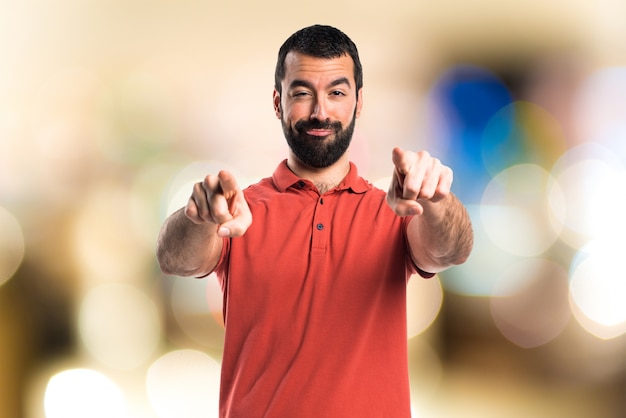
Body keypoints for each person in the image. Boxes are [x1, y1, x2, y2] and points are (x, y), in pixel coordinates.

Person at [156, 24, 473, 418]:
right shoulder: (242, 210)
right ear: (278, 103)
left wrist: (436, 199)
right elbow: (175, 258)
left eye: (337, 93)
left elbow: (452, 249)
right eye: (303, 93)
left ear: (358, 102)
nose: (321, 111)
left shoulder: (395, 212)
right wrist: (199, 217)